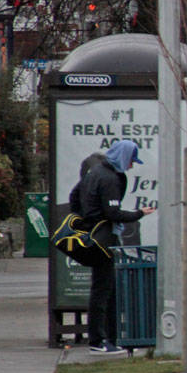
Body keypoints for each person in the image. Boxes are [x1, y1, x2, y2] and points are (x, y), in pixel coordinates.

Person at [77, 140, 155, 354]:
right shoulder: (110, 178)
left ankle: (109, 338)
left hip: (93, 235)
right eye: (130, 161)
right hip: (104, 238)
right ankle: (99, 340)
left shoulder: (94, 173)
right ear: (123, 157)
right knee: (103, 290)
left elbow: (75, 198)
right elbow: (112, 213)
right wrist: (139, 213)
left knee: (106, 289)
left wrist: (87, 219)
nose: (131, 166)